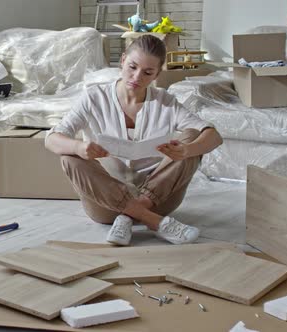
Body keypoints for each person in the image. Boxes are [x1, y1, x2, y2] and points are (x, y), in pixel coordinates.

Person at [44, 35, 223, 246]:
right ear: (122, 61)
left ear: (158, 73)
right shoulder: (93, 98)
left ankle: (130, 215)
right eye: (132, 67)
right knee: (68, 156)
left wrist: (186, 150)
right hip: (106, 204)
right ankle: (153, 221)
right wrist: (79, 147)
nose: (137, 77)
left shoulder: (165, 101)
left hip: (158, 198)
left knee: (193, 138)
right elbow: (51, 139)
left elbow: (214, 136)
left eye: (148, 72)